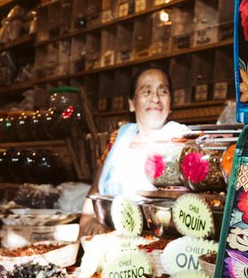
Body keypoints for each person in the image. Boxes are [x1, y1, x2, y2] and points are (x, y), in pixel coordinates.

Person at [78, 65, 190, 236]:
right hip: (109, 237)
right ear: (132, 103)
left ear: (170, 103)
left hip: (157, 239)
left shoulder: (183, 141)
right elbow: (94, 193)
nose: (155, 98)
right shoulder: (118, 138)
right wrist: (88, 225)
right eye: (146, 92)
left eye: (163, 92)